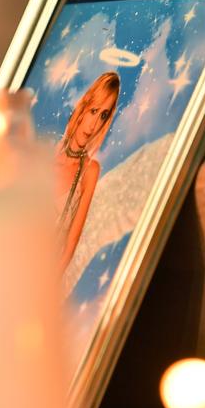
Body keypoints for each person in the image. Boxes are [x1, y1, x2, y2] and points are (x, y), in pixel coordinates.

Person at [56, 72, 120, 270]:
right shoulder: (47, 153)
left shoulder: (90, 170)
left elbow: (70, 245)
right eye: (94, 111)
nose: (94, 125)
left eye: (103, 115)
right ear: (83, 108)